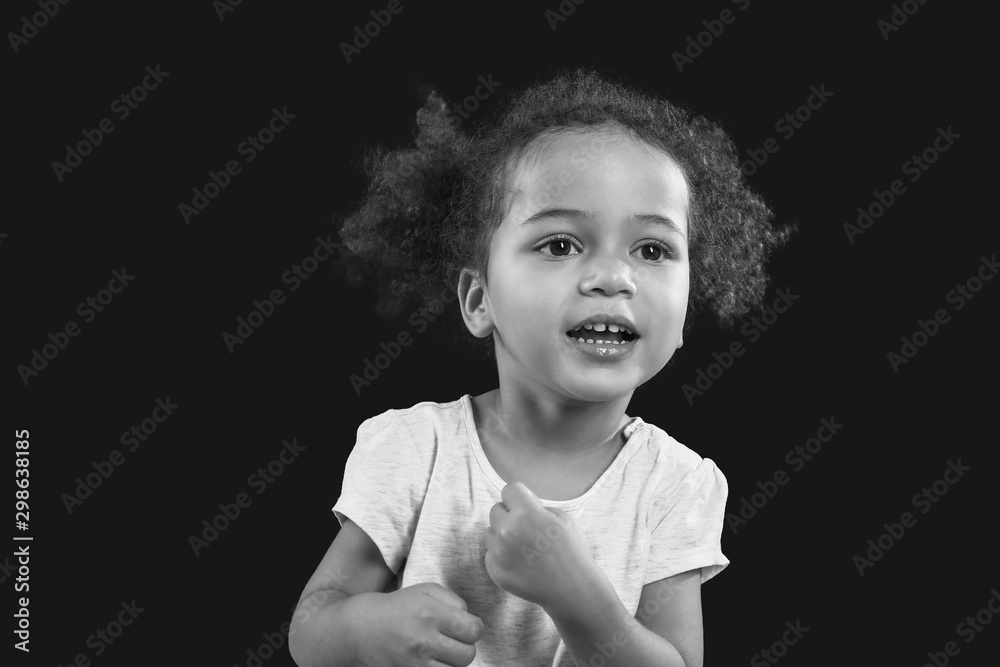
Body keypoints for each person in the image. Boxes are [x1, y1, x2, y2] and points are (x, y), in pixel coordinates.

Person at [289, 67, 791, 667]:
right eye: (560, 244)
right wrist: (364, 628)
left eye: (652, 250)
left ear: (683, 317)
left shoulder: (671, 486)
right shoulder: (415, 451)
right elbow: (311, 627)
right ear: (480, 300)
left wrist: (575, 595)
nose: (613, 277)